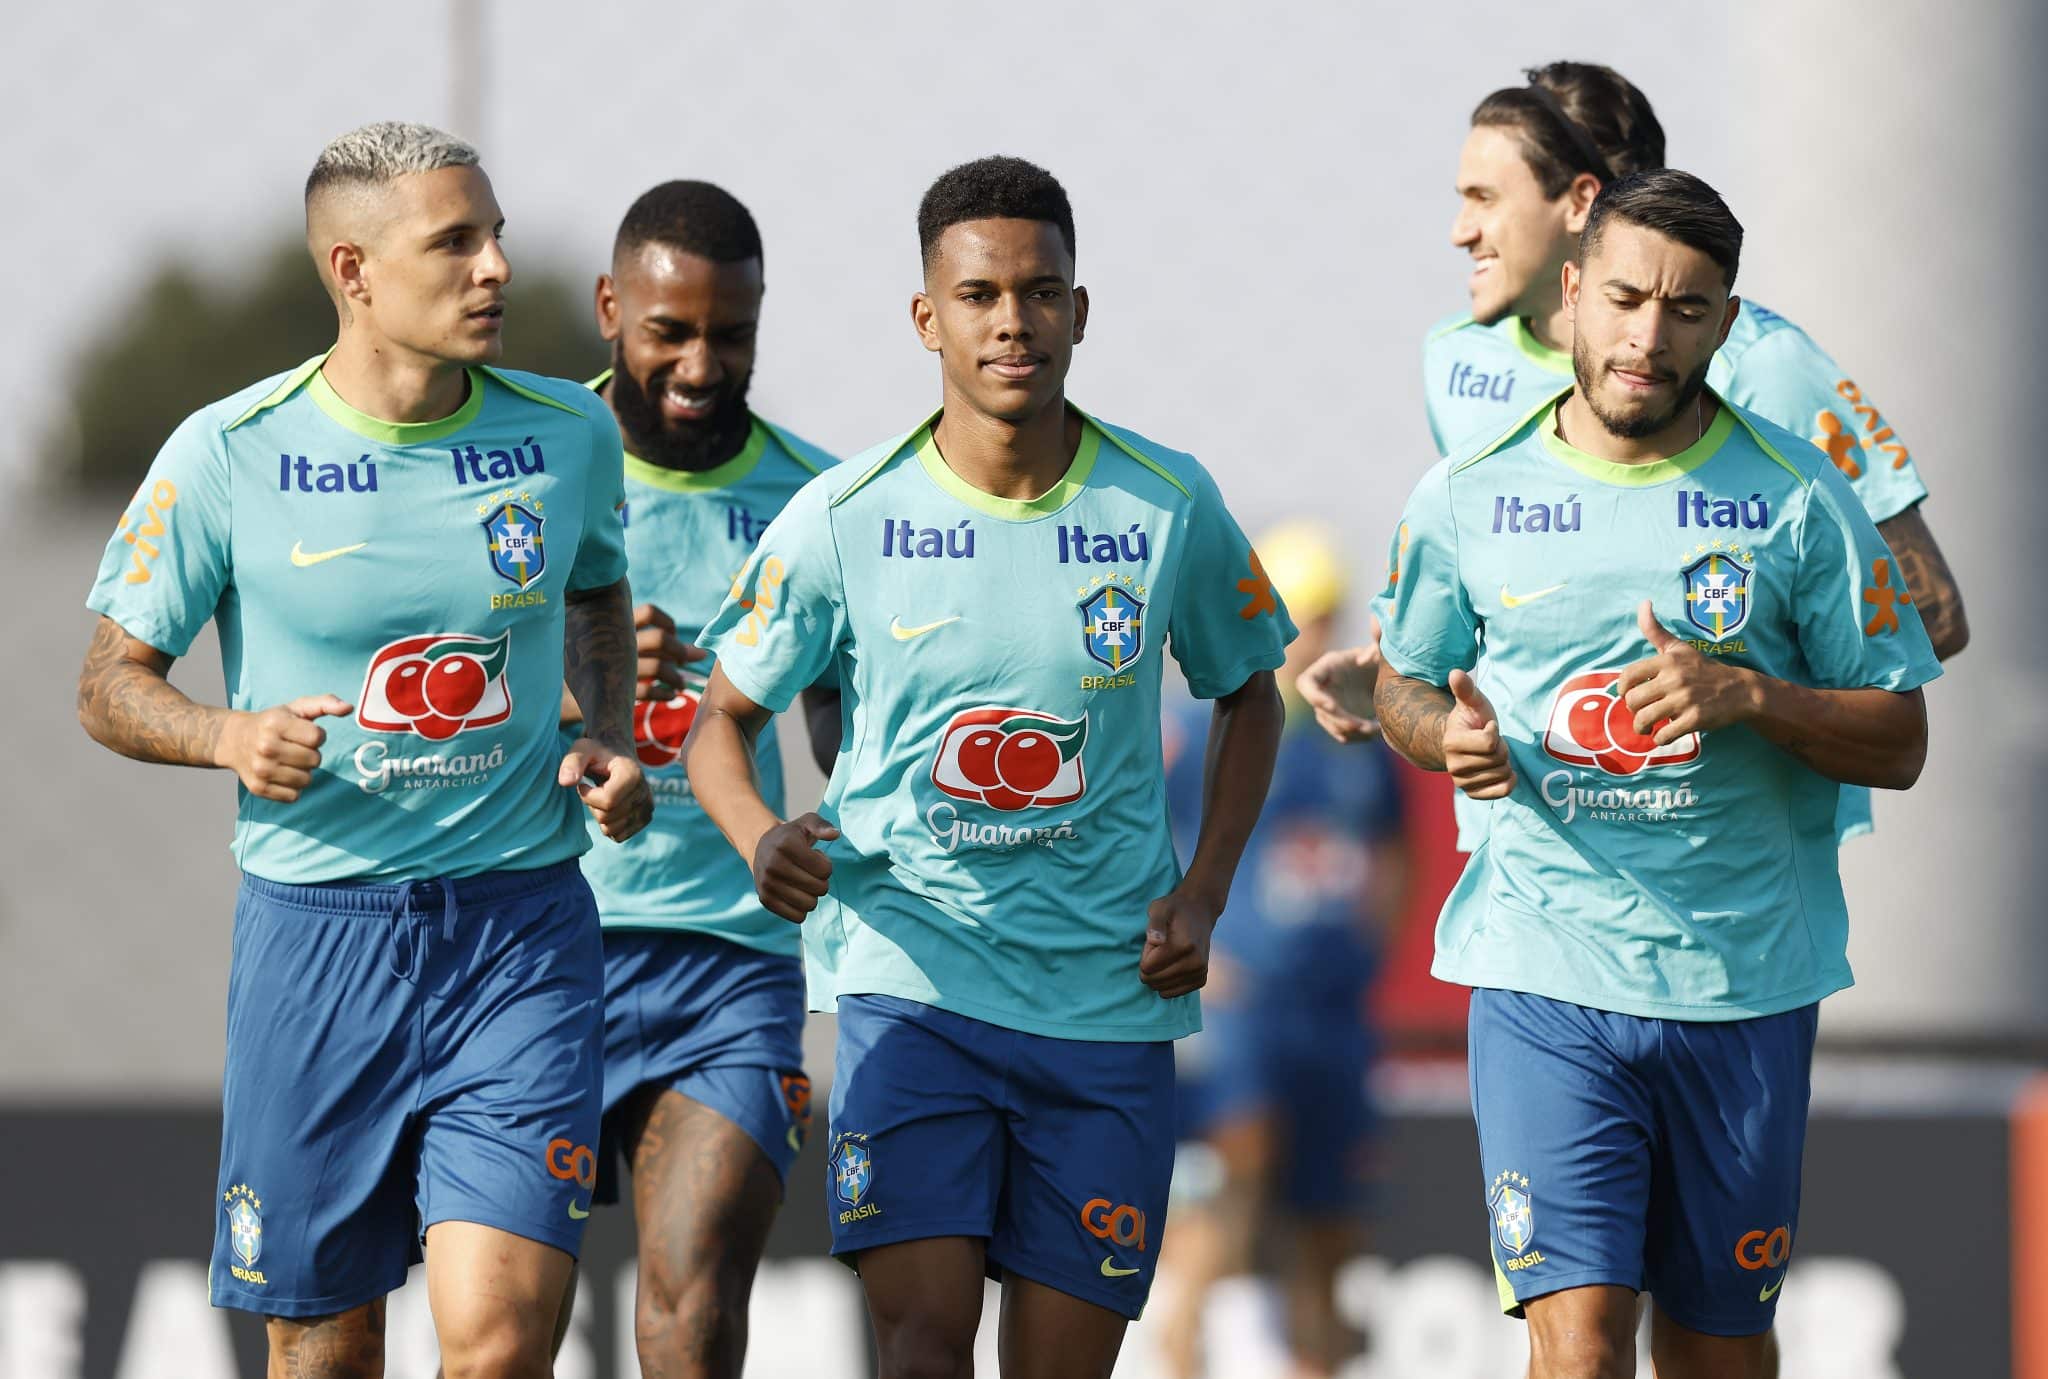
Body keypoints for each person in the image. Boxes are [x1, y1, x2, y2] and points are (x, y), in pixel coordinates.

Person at [682, 155, 1293, 1379]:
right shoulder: (843, 516)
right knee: (919, 1348)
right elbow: (718, 722)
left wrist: (1205, 891)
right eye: (977, 295)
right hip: (914, 986)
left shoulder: (1167, 504)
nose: (1011, 319)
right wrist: (759, 833)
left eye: (1039, 291)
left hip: (1104, 1002)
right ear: (927, 318)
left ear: (1079, 307)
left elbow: (1249, 694)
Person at [75, 121, 649, 1377]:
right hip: (316, 944)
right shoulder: (227, 452)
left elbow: (597, 592)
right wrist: (223, 732)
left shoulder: (570, 435)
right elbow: (110, 682)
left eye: (493, 232)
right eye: (457, 241)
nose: (496, 264)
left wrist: (605, 728)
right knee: (323, 1351)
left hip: (521, 937)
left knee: (499, 1339)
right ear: (353, 271)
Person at [1371, 170, 1939, 1378]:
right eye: (1624, 298)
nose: (1645, 335)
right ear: (1571, 294)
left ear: (1723, 325)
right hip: (1543, 971)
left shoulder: (1797, 498)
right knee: (1575, 1344)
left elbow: (1899, 736)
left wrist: (1754, 695)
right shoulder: (1464, 495)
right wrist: (1440, 736)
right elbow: (1401, 680)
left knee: (1716, 1350)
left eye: (1685, 309)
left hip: (1741, 982)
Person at [1302, 61, 1966, 851]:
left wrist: (1739, 687)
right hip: (1534, 849)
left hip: (1725, 858)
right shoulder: (1456, 363)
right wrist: (1391, 676)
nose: (1461, 229)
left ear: (1580, 202)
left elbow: (1932, 612)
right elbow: (1502, 584)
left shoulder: (1763, 366)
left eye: (1485, 198)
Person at [558, 179, 841, 1378]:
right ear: (611, 307)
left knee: (691, 1299)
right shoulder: (522, 459)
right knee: (502, 1328)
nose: (698, 362)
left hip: (731, 961)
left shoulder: (823, 500)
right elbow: (438, 695)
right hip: (538, 944)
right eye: (669, 330)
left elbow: (848, 728)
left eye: (731, 334)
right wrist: (585, 683)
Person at [1155, 522, 1408, 1379]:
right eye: (1302, 615)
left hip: (1332, 1016)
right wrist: (1195, 951)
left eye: (1328, 615)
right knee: (1225, 1200)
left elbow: (1393, 855)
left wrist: (1366, 949)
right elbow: (1138, 840)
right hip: (1239, 1014)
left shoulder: (1360, 736)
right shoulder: (1205, 726)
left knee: (1329, 1231)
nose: (1316, 635)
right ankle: (1178, 1359)